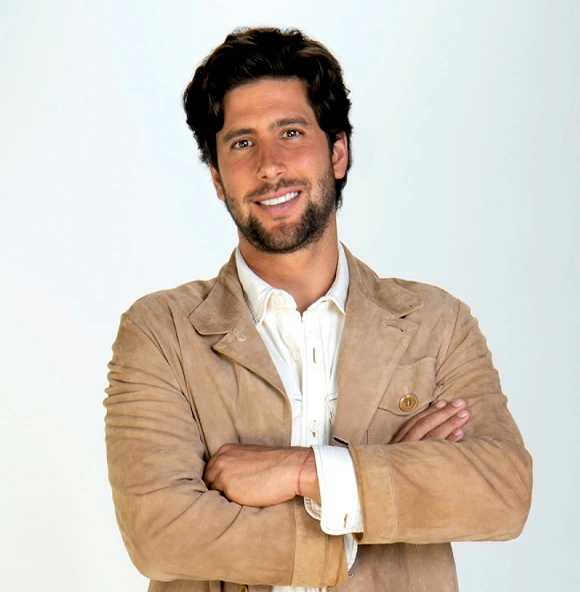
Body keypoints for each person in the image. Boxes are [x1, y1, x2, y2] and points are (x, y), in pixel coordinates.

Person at [104, 27, 532, 592]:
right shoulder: (161, 333)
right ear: (217, 179)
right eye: (241, 143)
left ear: (337, 152)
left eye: (291, 132)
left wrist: (304, 471)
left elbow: (501, 492)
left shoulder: (436, 323)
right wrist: (386, 490)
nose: (270, 165)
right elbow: (160, 535)